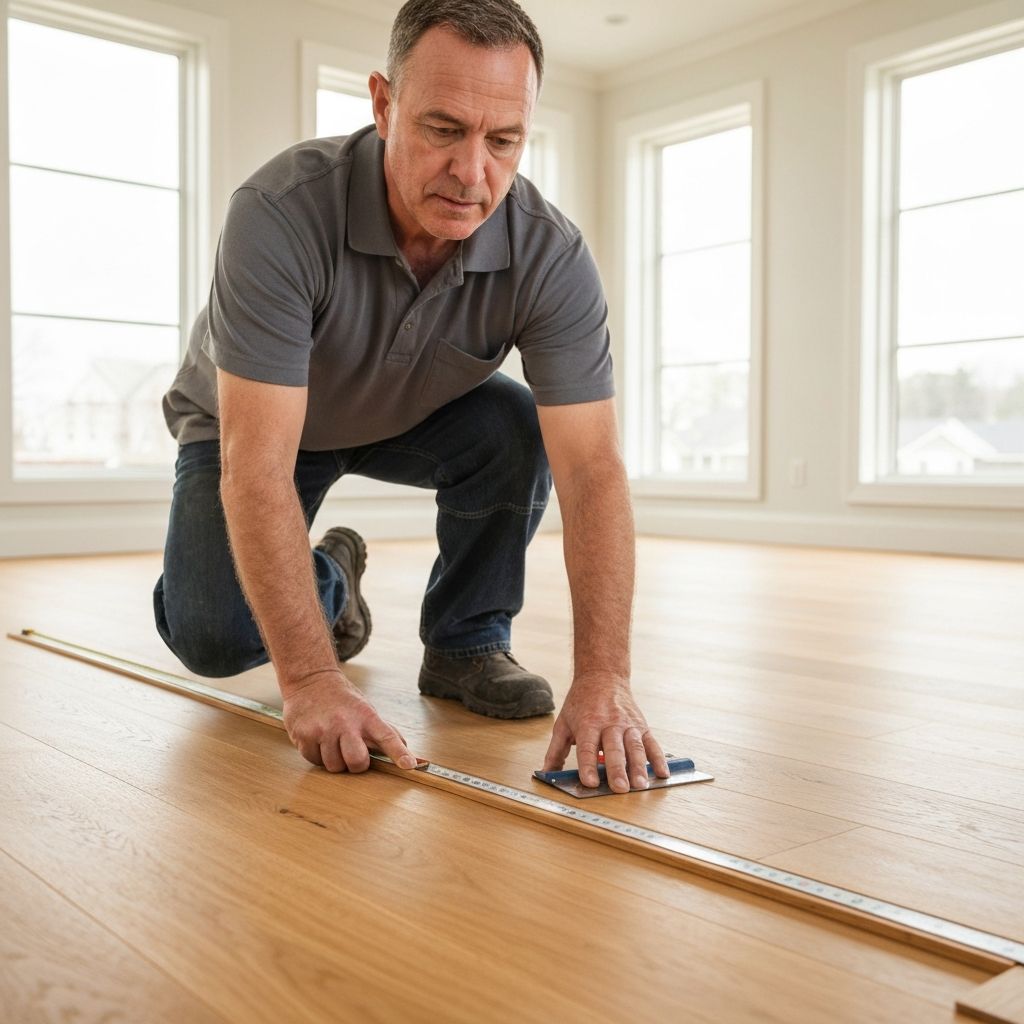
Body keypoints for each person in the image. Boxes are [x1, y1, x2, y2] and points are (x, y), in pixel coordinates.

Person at [155, 0, 668, 794]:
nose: (473, 173)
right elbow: (255, 468)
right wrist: (314, 683)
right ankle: (334, 577)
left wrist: (605, 677)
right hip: (252, 433)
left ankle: (467, 642)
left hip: (409, 413)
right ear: (384, 104)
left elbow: (593, 468)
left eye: (503, 141)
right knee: (214, 636)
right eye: (442, 129)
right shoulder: (279, 212)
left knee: (518, 426)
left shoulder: (549, 252)